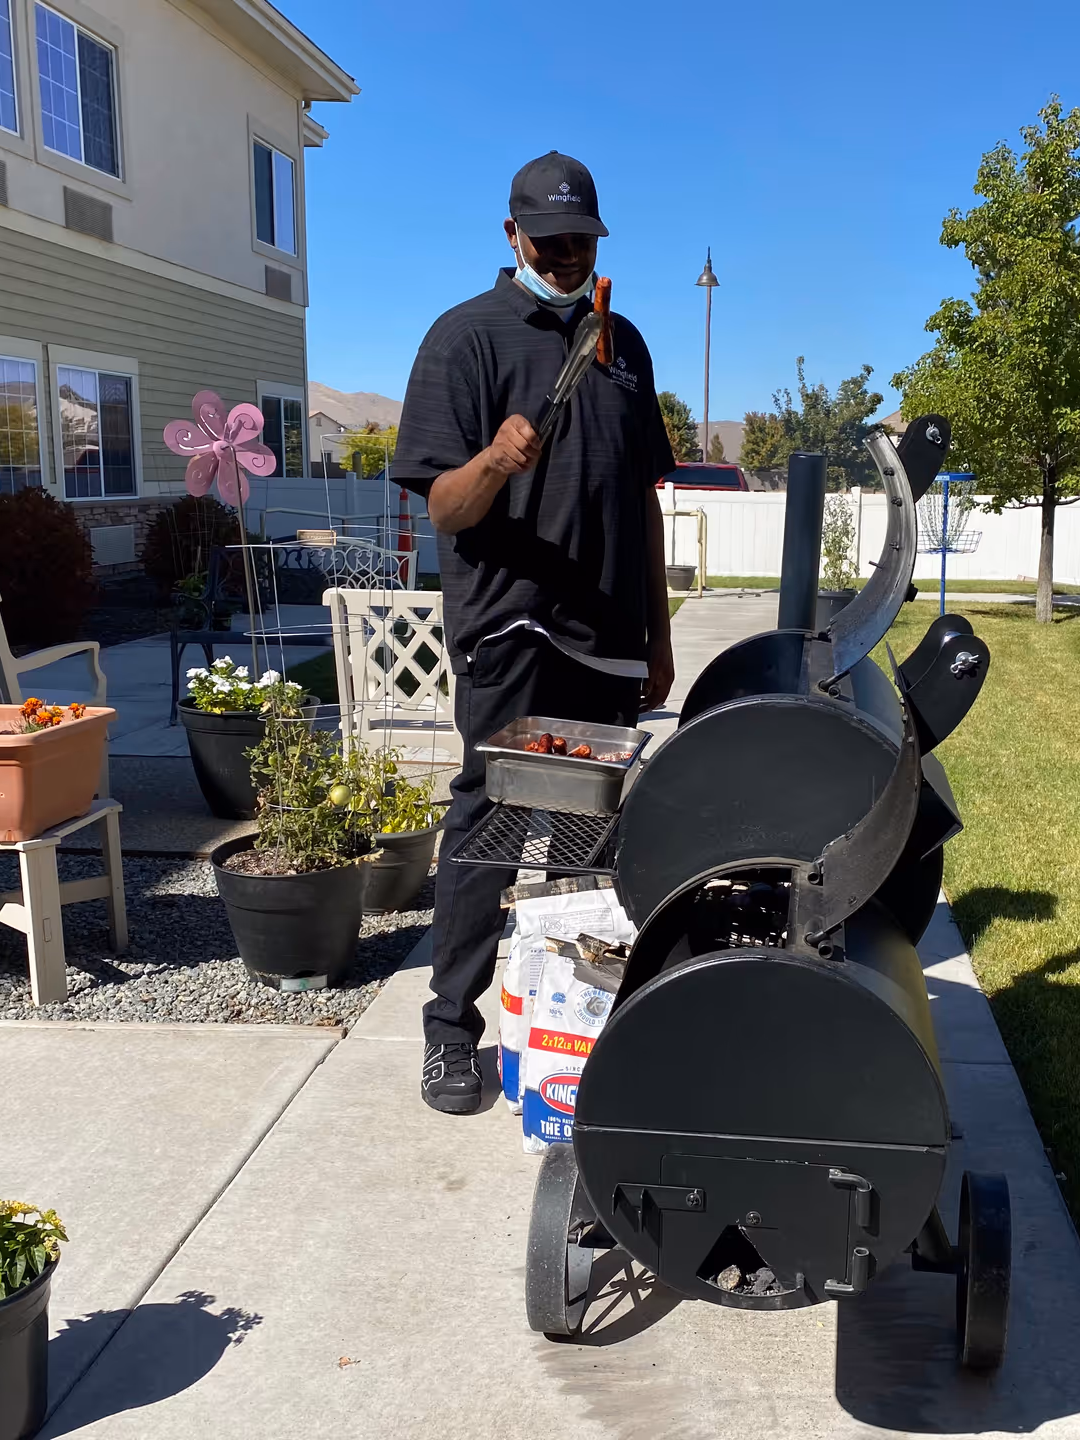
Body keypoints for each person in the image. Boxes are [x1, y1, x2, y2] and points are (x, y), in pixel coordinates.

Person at [388, 152, 675, 1114]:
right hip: (510, 630)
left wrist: (659, 635)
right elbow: (444, 509)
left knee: (597, 842)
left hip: (609, 631)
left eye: (580, 242)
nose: (564, 256)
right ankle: (448, 1031)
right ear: (512, 235)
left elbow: (643, 501)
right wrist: (494, 461)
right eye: (548, 240)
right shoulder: (463, 340)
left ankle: (582, 1030)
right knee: (490, 830)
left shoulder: (622, 343)